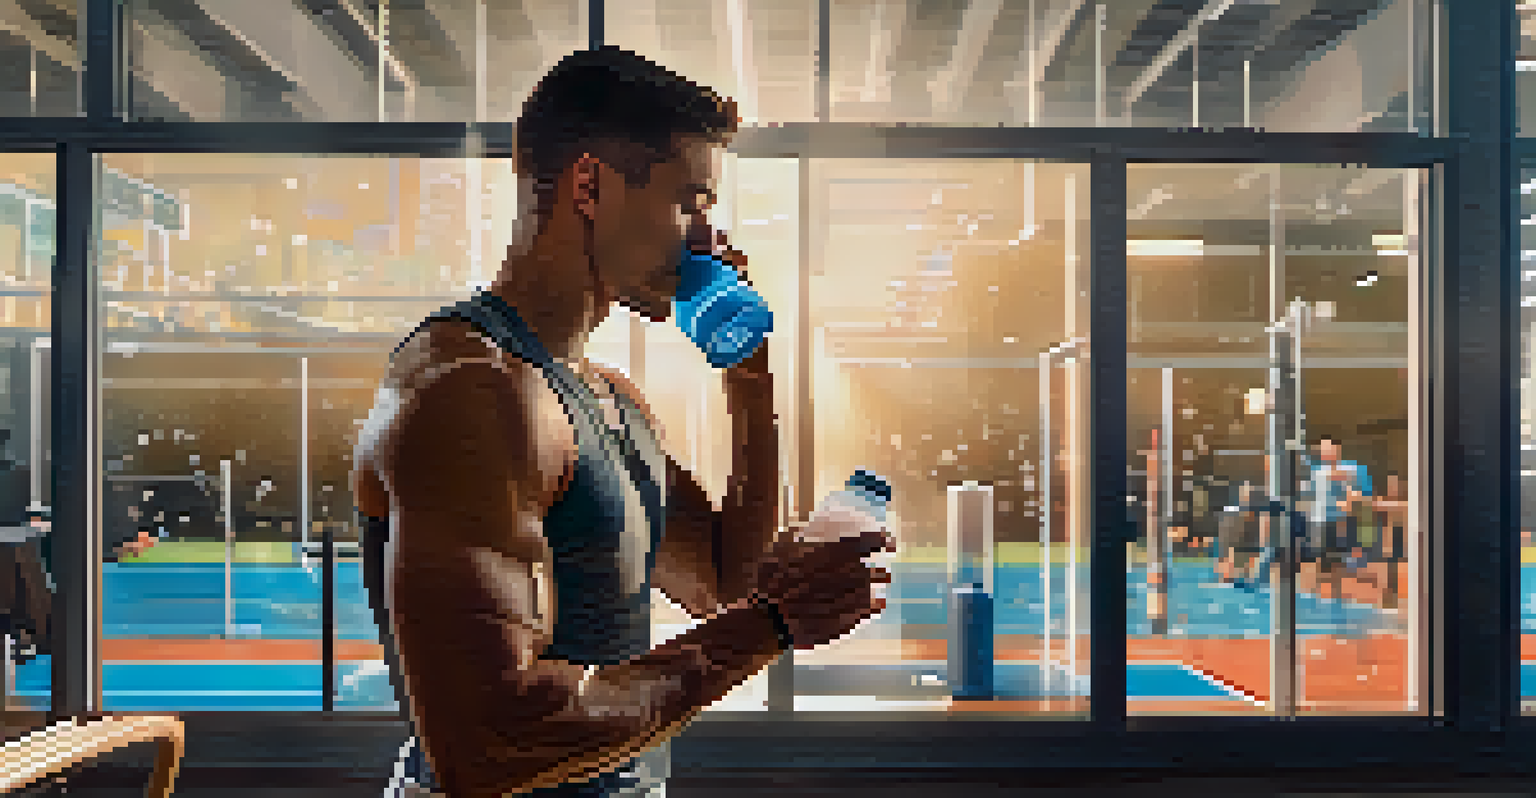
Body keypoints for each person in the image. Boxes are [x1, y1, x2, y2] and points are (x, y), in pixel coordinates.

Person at [350, 47, 891, 798]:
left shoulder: (606, 397)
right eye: (690, 203)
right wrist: (774, 623)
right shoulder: (470, 390)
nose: (705, 239)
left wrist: (749, 377)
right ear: (591, 185)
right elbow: (490, 745)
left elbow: (723, 583)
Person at [1300, 434, 1372, 602]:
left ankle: (1337, 596)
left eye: (1329, 448)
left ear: (1337, 450)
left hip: (1339, 521)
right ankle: (1315, 595)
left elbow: (1361, 491)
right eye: (1323, 449)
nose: (1326, 452)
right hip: (1318, 521)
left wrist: (1351, 497)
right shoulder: (1316, 472)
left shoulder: (1350, 469)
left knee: (1337, 562)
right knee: (1319, 560)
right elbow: (1308, 496)